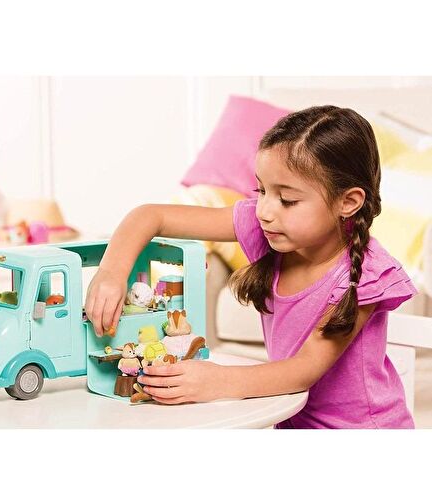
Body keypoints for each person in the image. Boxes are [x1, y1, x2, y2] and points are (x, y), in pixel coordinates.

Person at [85, 105, 417, 429]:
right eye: (262, 191)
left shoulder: (365, 275)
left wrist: (217, 381)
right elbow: (150, 216)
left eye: (287, 200)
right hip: (289, 418)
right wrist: (111, 273)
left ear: (348, 202)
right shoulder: (269, 228)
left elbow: (305, 369)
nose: (264, 211)